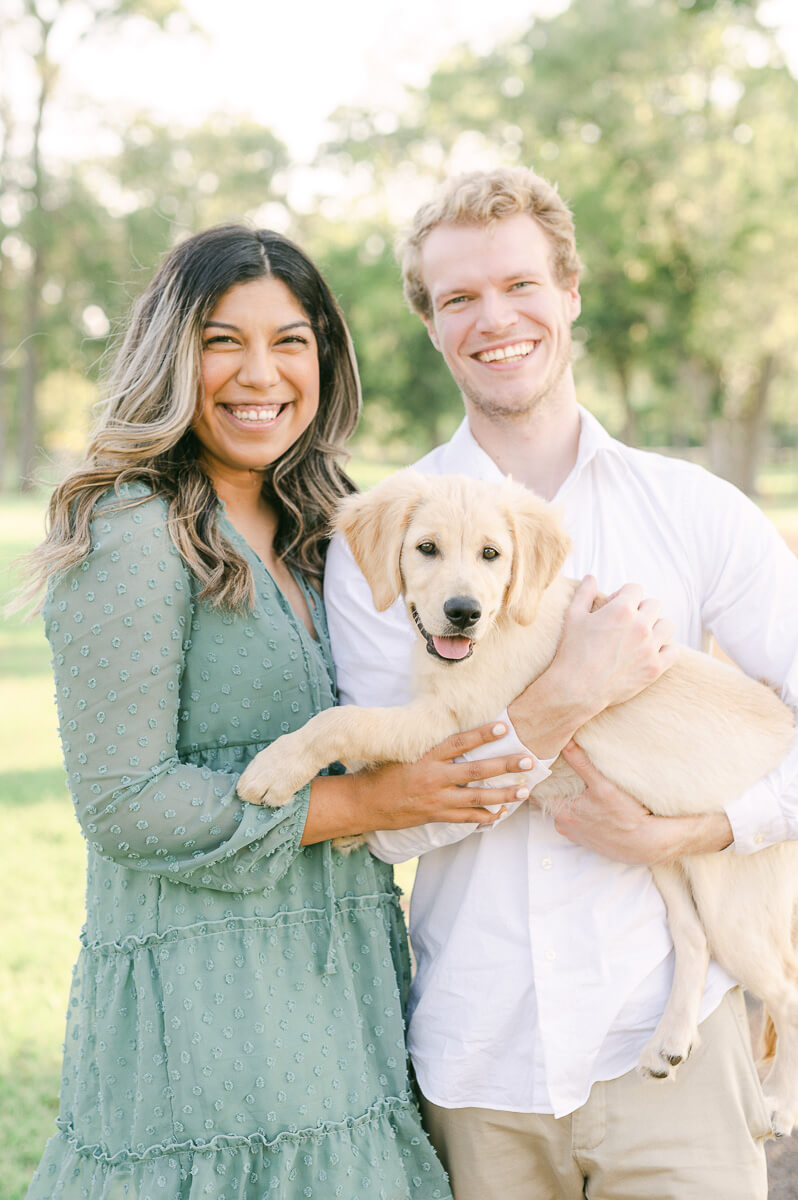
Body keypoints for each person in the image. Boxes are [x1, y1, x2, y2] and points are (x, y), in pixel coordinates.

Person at [21, 224, 536, 1200]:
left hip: (346, 1009)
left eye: (290, 340)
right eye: (223, 340)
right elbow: (127, 803)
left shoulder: (329, 530)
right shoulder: (128, 532)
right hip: (208, 1019)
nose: (260, 373)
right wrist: (370, 805)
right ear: (171, 355)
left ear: (324, 359)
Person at [323, 168, 798, 1199]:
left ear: (571, 291)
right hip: (479, 1056)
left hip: (673, 1042)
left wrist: (704, 831)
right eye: (458, 298)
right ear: (431, 323)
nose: (495, 318)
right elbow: (387, 821)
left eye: (520, 284)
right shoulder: (390, 533)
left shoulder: (697, 512)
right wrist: (566, 697)